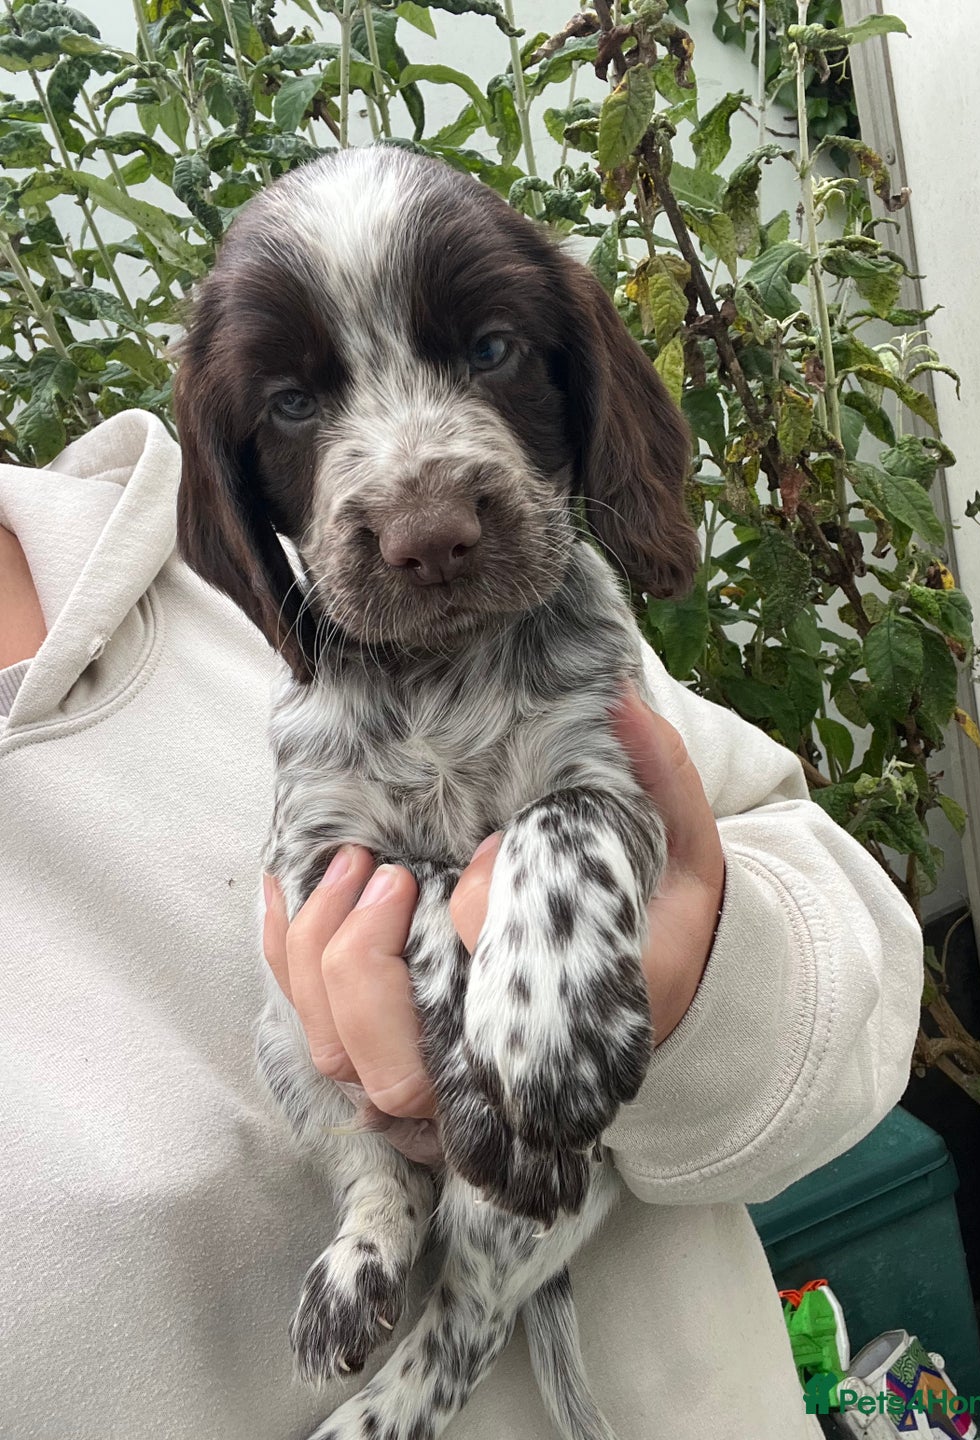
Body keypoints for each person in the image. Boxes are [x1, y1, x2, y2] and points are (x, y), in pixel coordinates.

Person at [0, 409, 922, 1440]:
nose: (417, 512)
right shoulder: (272, 544)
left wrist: (693, 987)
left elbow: (841, 933)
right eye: (303, 404)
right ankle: (385, 1231)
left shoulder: (432, 576)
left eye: (483, 356)